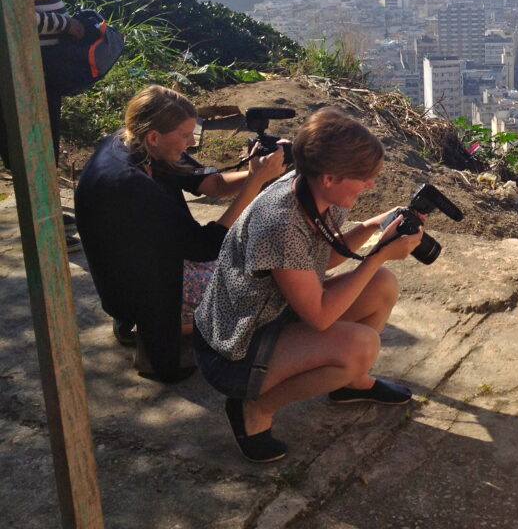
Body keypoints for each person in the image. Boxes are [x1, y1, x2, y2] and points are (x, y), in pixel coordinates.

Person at [193, 107, 423, 463]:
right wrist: (378, 254)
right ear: (329, 177)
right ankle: (253, 410)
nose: (371, 185)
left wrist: (374, 225)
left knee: (380, 285)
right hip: (235, 347)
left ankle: (348, 382)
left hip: (274, 312)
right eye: (363, 177)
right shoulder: (280, 223)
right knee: (359, 345)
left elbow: (321, 260)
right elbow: (319, 317)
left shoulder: (313, 188)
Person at [74, 85, 285, 382]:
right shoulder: (130, 184)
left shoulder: (131, 143)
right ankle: (174, 328)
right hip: (143, 290)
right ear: (154, 136)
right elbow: (204, 246)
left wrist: (259, 173)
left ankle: (161, 323)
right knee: (261, 279)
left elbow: (213, 185)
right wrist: (255, 184)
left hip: (136, 272)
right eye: (185, 136)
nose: (190, 143)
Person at [0, 0, 87, 249]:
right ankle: (45, 229)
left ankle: (46, 215)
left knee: (36, 143)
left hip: (33, 67)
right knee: (34, 144)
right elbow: (12, 13)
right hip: (23, 72)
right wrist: (65, 26)